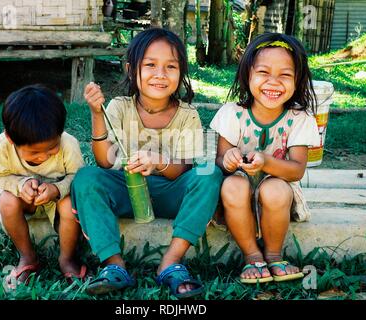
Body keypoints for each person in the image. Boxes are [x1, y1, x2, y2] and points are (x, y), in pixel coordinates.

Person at [71, 28, 223, 298]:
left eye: (170, 67)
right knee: (86, 178)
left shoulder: (188, 116)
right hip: (125, 192)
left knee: (209, 174)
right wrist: (97, 113)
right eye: (150, 65)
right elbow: (105, 161)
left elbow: (184, 168)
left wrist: (159, 163)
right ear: (131, 69)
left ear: (181, 72)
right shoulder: (119, 107)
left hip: (170, 192)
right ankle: (114, 266)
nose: (160, 74)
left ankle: (172, 261)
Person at [210, 33, 320, 284]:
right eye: (263, 72)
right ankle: (252, 256)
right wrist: (228, 158)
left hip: (278, 193)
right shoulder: (232, 113)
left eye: (285, 75)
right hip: (237, 195)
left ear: (298, 80)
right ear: (247, 74)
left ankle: (273, 254)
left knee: (275, 189)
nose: (274, 82)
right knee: (232, 184)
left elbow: (296, 171)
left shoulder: (299, 118)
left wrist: (267, 162)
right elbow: (219, 160)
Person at [0, 84, 87, 289]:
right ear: (11, 139)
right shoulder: (3, 145)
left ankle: (67, 258)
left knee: (69, 205)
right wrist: (21, 185)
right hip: (26, 202)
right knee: (6, 201)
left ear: (60, 134)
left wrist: (57, 189)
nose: (43, 156)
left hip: (58, 200)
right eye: (34, 153)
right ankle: (27, 257)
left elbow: (79, 178)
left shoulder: (68, 144)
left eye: (52, 148)